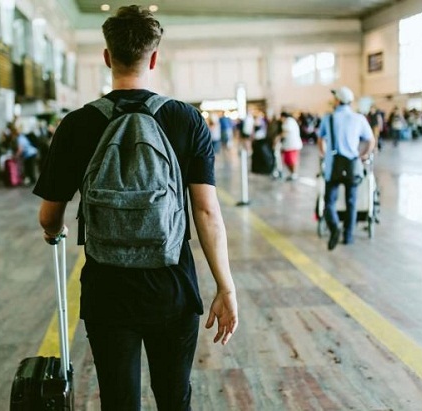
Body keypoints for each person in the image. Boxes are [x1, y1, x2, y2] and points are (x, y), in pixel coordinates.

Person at [33, 6, 238, 410]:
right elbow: (207, 213)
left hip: (107, 291)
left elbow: (49, 215)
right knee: (174, 399)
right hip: (173, 288)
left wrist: (53, 231)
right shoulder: (186, 119)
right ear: (154, 58)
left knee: (119, 401)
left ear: (107, 57)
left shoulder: (76, 124)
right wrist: (225, 286)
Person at [317, 87, 375, 250]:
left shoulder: (328, 119)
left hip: (333, 166)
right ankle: (348, 236)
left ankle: (335, 227)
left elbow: (320, 139)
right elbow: (371, 141)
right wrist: (362, 155)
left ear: (337, 101)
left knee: (329, 202)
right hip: (352, 165)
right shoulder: (359, 118)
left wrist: (323, 154)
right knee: (351, 202)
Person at [278, 112, 303, 181]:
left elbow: (285, 131)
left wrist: (278, 138)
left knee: (292, 160)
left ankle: (294, 174)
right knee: (288, 160)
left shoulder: (289, 121)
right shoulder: (290, 121)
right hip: (289, 145)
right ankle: (293, 174)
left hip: (292, 145)